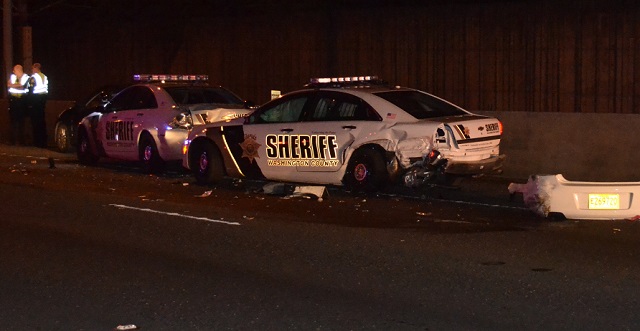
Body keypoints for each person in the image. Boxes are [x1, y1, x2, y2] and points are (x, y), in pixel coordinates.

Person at [7, 64, 29, 145]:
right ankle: (12, 140)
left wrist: (12, 86)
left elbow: (22, 86)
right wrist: (15, 85)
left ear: (18, 70)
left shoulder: (26, 77)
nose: (13, 72)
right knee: (13, 122)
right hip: (13, 101)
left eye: (14, 70)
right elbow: (8, 84)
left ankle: (21, 141)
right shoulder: (13, 77)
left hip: (22, 101)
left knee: (21, 122)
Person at [28, 62, 49, 148]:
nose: (32, 70)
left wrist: (29, 102)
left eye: (32, 68)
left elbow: (31, 89)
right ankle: (43, 141)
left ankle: (37, 142)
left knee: (35, 122)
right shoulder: (44, 76)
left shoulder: (34, 77)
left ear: (35, 68)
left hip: (35, 100)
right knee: (42, 121)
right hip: (43, 100)